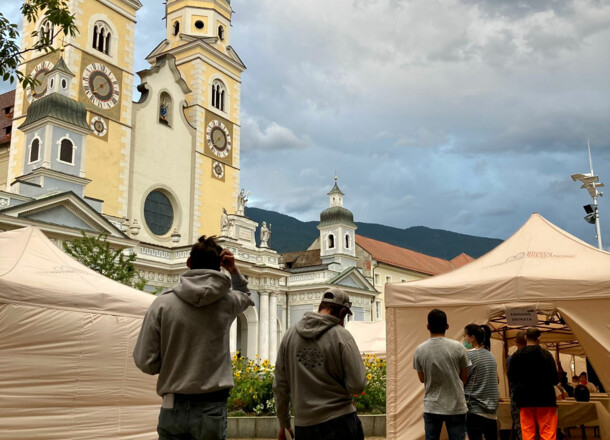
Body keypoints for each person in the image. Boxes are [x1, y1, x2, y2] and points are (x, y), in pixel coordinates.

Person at [133, 236, 254, 440]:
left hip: (173, 404)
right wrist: (233, 271)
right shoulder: (228, 302)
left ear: (188, 263)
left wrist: (171, 364)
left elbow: (145, 361)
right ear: (220, 266)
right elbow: (246, 295)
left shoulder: (161, 304)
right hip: (212, 406)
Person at [273, 287, 368, 440]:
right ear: (342, 313)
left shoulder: (289, 335)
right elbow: (357, 385)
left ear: (321, 306)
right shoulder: (342, 336)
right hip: (340, 423)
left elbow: (280, 385)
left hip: (305, 427)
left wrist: (284, 424)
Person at [413, 309, 471, 440]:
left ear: (428, 327)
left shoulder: (420, 350)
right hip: (456, 405)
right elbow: (464, 377)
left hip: (432, 406)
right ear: (447, 326)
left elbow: (422, 379)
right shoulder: (459, 347)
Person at [507, 328, 558, 440]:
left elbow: (511, 378)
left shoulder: (516, 355)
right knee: (548, 432)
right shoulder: (546, 355)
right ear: (539, 338)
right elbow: (555, 379)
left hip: (524, 399)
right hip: (546, 398)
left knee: (527, 432)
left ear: (525, 337)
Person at [463, 324, 499, 440]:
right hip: (492, 411)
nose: (464, 339)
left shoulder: (470, 355)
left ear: (472, 338)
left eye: (465, 336)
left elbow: (462, 380)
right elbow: (496, 380)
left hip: (475, 409)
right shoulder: (491, 356)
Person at [506, 331, 527, 440]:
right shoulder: (535, 355)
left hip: (517, 395)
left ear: (515, 342)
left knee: (520, 426)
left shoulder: (511, 358)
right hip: (533, 395)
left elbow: (510, 377)